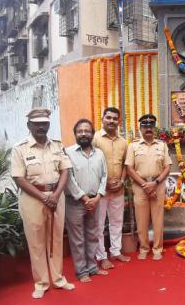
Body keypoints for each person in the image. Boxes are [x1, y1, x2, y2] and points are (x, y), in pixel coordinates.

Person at [11, 107, 75, 299]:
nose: (41, 127)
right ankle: (41, 282)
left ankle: (58, 279)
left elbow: (65, 171)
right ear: (29, 125)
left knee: (56, 239)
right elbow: (18, 178)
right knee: (36, 242)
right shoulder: (20, 148)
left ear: (48, 124)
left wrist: (55, 195)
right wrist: (44, 197)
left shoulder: (57, 145)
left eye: (44, 123)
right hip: (33, 198)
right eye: (37, 124)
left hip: (56, 196)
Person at [65, 119, 108, 282]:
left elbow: (104, 175)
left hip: (95, 201)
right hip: (75, 202)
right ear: (75, 134)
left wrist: (97, 197)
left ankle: (92, 267)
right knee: (77, 239)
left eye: (87, 131)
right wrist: (83, 198)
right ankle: (82, 272)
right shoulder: (68, 153)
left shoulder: (100, 154)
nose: (83, 133)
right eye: (80, 131)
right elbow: (68, 178)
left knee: (92, 235)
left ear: (92, 133)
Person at [125, 114, 172, 261]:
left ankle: (157, 248)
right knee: (141, 220)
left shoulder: (162, 145)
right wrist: (144, 184)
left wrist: (155, 183)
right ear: (141, 128)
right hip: (140, 187)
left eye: (151, 125)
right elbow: (129, 169)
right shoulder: (133, 146)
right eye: (145, 126)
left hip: (157, 185)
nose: (148, 128)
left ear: (155, 128)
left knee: (158, 220)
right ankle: (144, 248)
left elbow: (167, 167)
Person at [93, 107, 130, 270]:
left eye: (115, 118)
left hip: (118, 189)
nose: (112, 121)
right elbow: (91, 164)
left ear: (119, 121)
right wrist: (104, 183)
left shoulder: (123, 142)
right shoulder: (95, 139)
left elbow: (125, 164)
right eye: (108, 118)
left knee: (116, 222)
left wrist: (121, 182)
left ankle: (116, 251)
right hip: (100, 191)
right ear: (102, 119)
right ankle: (101, 256)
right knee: (99, 225)